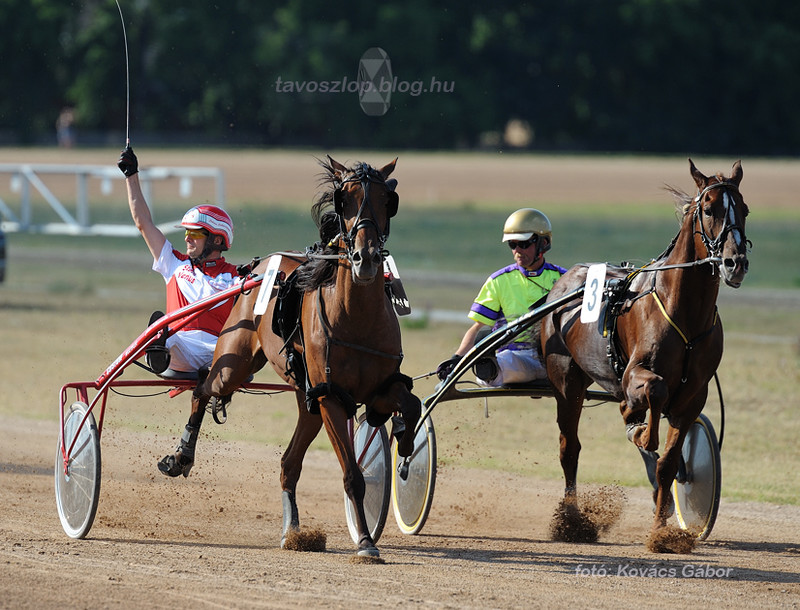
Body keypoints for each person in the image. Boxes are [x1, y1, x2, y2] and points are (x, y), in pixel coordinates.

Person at [117, 145, 240, 377]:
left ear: (215, 240)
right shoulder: (173, 262)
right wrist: (131, 176)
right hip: (181, 349)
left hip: (222, 351)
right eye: (186, 233)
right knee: (164, 329)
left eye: (194, 234)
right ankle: (158, 347)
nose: (187, 238)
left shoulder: (237, 275)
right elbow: (143, 222)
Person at [436, 208, 566, 386]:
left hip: (555, 358)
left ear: (543, 243)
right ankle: (490, 369)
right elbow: (478, 328)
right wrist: (457, 359)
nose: (518, 250)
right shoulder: (498, 281)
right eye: (513, 245)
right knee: (487, 372)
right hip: (515, 359)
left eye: (524, 244)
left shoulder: (565, 280)